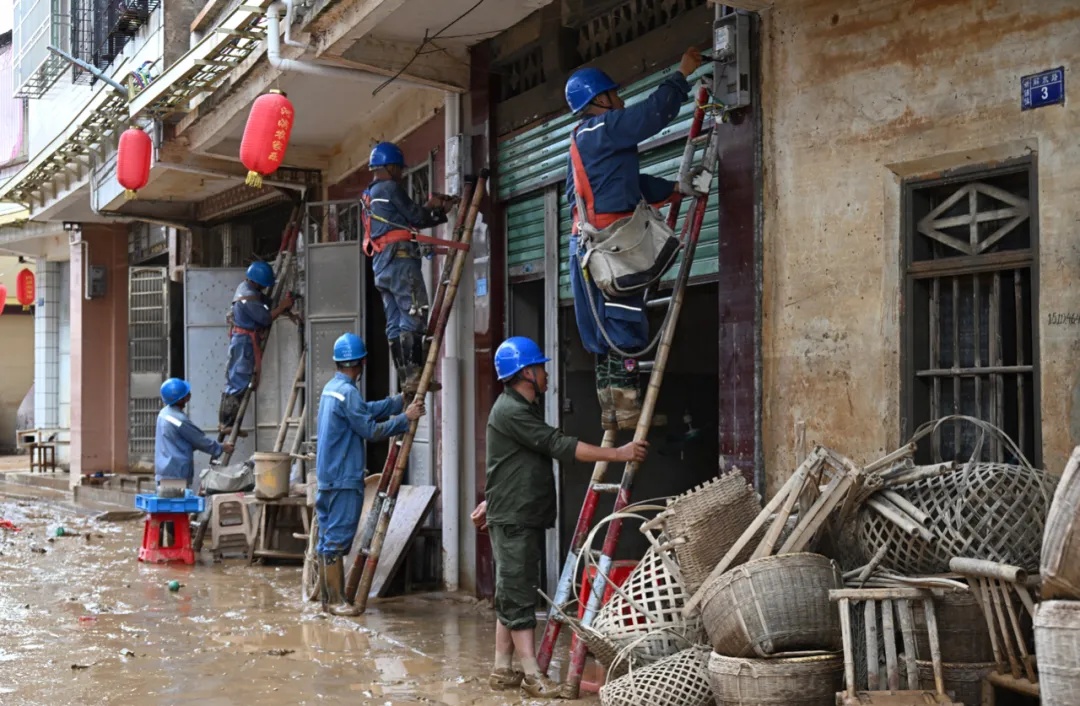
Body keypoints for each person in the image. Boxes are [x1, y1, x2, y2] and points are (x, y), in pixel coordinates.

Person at [478, 336, 649, 698]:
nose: (546, 375)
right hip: (515, 517)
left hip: (514, 512)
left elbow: (506, 464)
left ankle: (501, 669)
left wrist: (490, 500)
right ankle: (531, 675)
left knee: (511, 592)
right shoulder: (512, 410)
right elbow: (561, 447)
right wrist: (619, 453)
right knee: (520, 596)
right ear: (526, 372)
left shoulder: (517, 408)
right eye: (541, 368)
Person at [563, 47, 703, 432]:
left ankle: (612, 411)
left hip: (589, 248)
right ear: (600, 99)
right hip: (613, 246)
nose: (621, 99)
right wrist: (682, 74)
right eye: (615, 94)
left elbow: (633, 185)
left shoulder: (584, 141)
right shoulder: (603, 129)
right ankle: (625, 413)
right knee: (623, 319)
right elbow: (650, 115)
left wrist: (675, 189)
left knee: (602, 330)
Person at [314, 332, 425, 615]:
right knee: (338, 539)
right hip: (343, 477)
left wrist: (396, 403)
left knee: (327, 538)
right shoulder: (348, 392)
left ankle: (328, 600)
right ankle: (338, 602)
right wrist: (404, 419)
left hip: (327, 477)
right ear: (360, 363)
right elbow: (369, 429)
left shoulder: (331, 389)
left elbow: (362, 412)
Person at [362, 141, 455, 398]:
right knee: (415, 313)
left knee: (394, 322)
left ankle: (406, 378)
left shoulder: (368, 195)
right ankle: (415, 376)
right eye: (399, 169)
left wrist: (428, 210)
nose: (401, 174)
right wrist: (438, 209)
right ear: (390, 167)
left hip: (381, 265)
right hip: (400, 261)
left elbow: (397, 220)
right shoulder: (390, 187)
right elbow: (416, 217)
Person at [218, 260, 295, 436]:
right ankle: (227, 423)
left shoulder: (248, 290)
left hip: (242, 340)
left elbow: (264, 302)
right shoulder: (247, 298)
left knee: (236, 379)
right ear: (258, 282)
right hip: (244, 342)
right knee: (237, 381)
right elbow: (265, 318)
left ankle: (226, 423)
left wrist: (283, 307)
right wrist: (282, 307)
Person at [156, 377, 233, 498]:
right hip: (176, 473)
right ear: (180, 399)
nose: (189, 394)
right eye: (186, 393)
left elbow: (179, 440)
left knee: (169, 507)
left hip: (165, 471)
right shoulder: (179, 420)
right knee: (176, 508)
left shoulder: (164, 413)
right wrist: (221, 447)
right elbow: (199, 440)